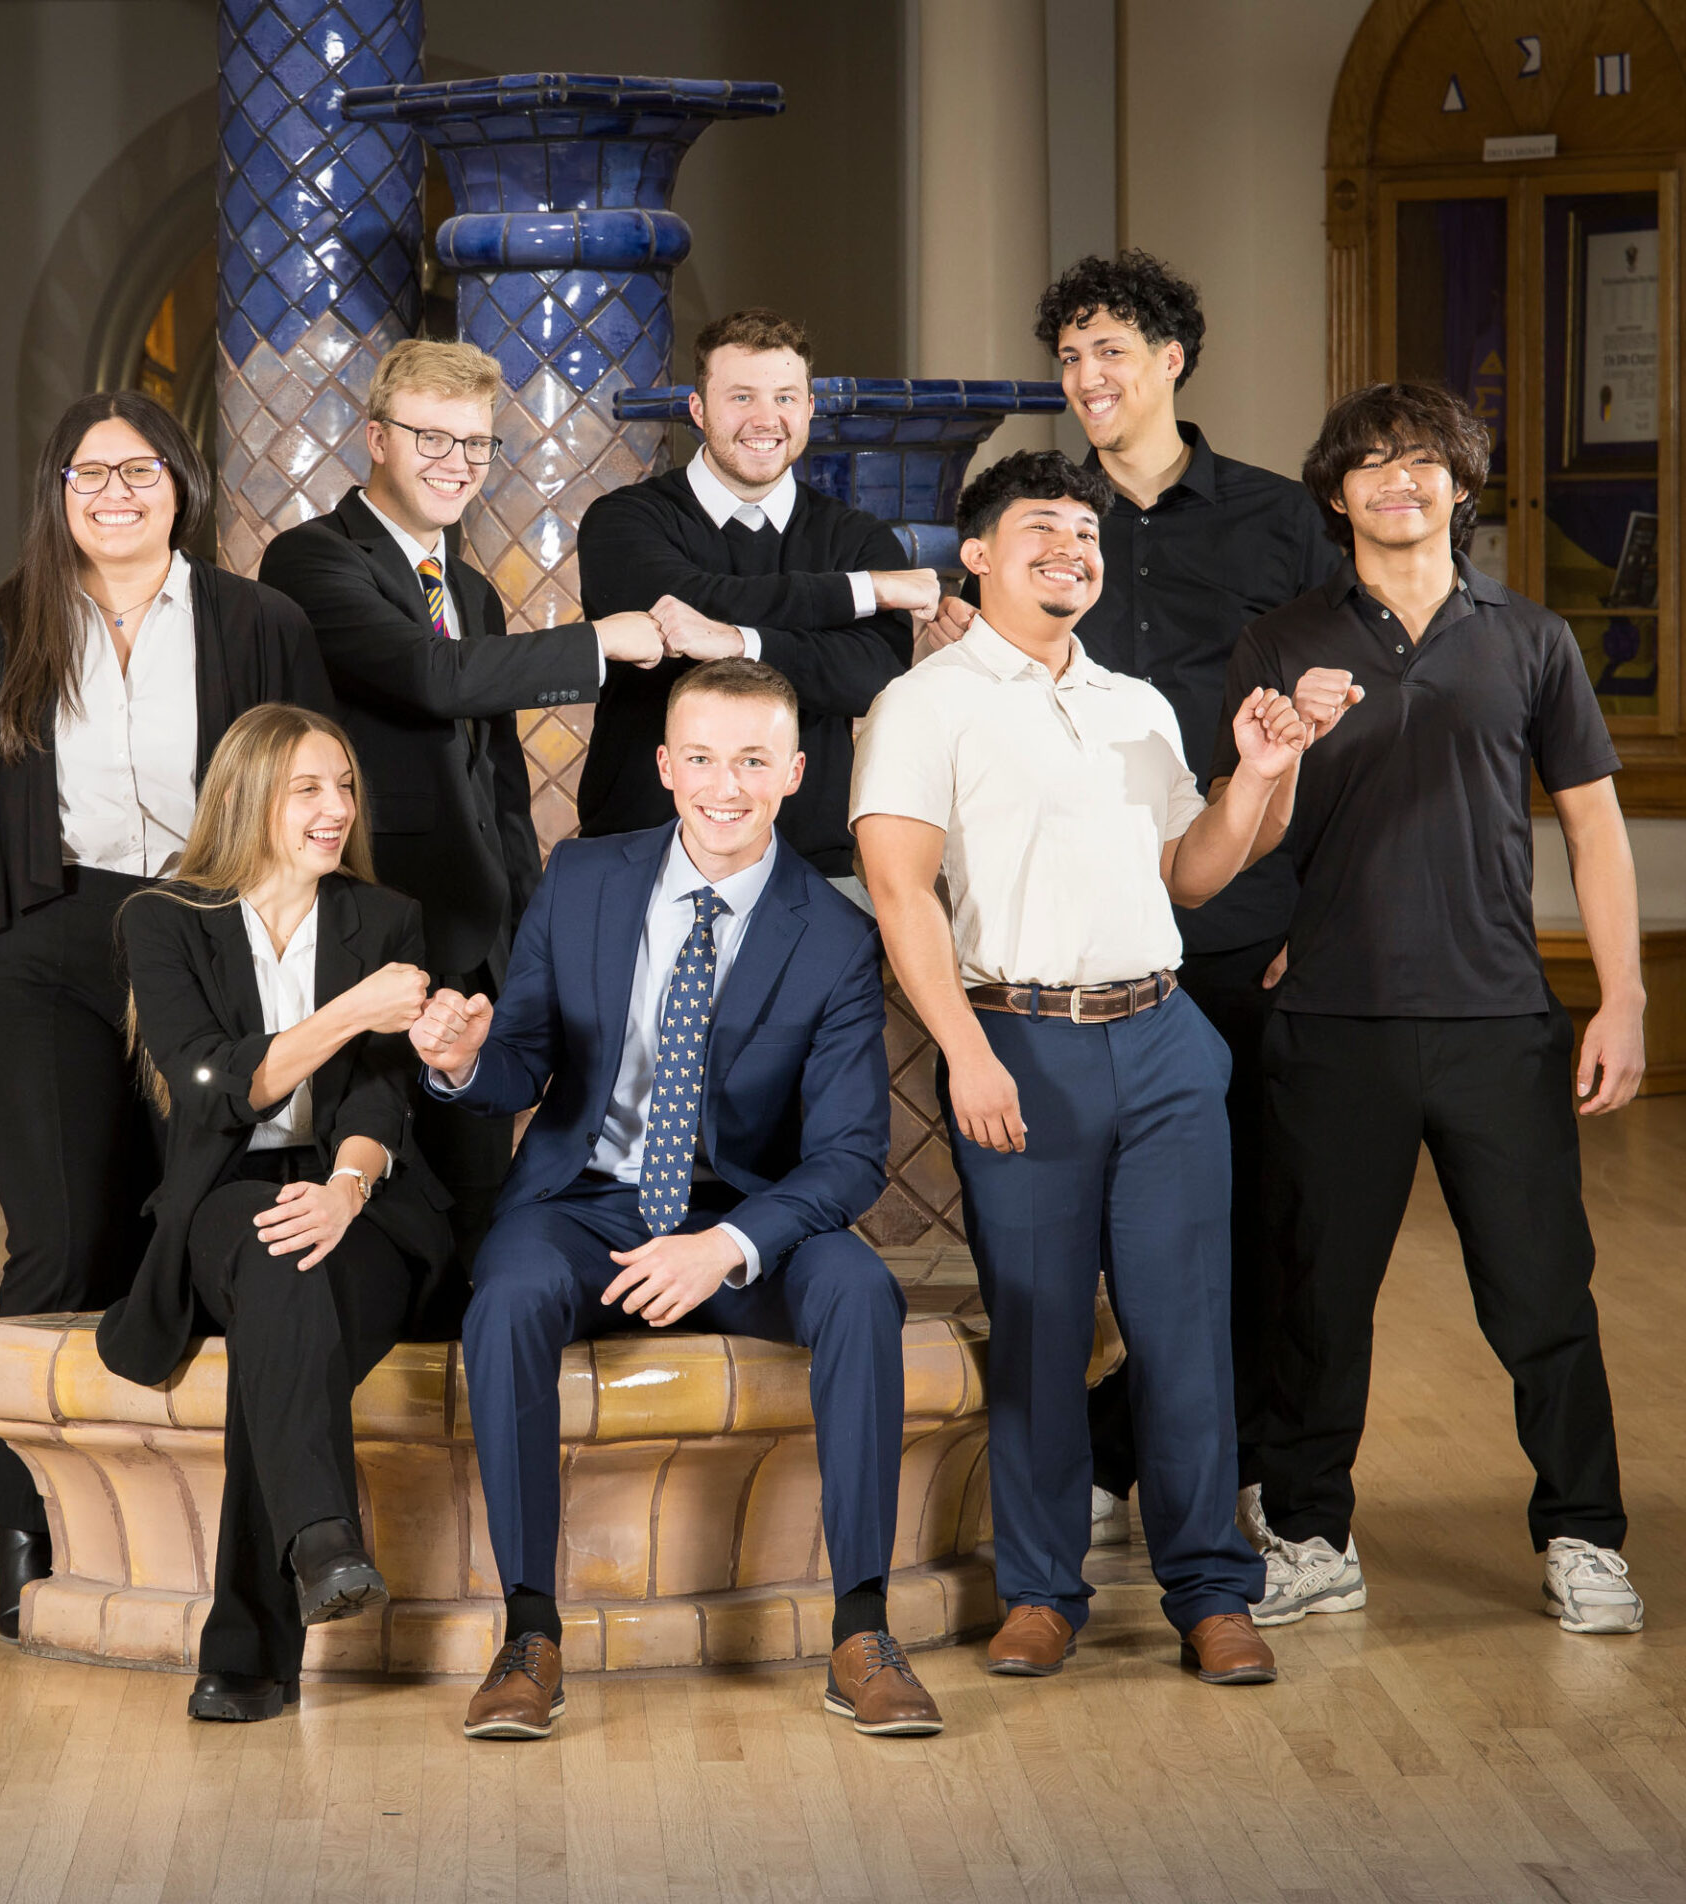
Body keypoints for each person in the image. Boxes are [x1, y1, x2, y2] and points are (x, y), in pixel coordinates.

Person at [0, 392, 330, 1637]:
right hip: (43, 951)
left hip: (209, 944)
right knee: (59, 1241)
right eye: (86, 473)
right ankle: (31, 1533)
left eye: (138, 472)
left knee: (191, 1225)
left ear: (181, 484)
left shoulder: (257, 621)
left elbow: (311, 789)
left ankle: (195, 1537)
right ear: (53, 490)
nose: (112, 494)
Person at [853, 449, 1327, 1688]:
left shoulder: (1136, 703)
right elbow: (902, 896)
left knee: (1185, 1327)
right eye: (1041, 531)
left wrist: (1261, 779)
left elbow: (1195, 872)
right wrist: (965, 1052)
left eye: (1086, 535)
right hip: (1019, 1039)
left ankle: (1209, 1590)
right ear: (976, 553)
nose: (1072, 550)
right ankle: (1041, 1592)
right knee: (1040, 1327)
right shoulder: (929, 702)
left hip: (1166, 1038)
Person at [411, 658, 939, 1741]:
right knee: (503, 1299)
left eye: (752, 760)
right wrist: (465, 1061)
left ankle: (861, 1630)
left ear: (794, 772)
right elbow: (521, 1058)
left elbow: (846, 1159)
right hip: (586, 1206)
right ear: (663, 765)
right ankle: (527, 1634)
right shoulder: (584, 876)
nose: (724, 785)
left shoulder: (837, 936)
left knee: (861, 1293)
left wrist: (727, 1245)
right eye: (699, 757)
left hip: (745, 1216)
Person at [935, 252, 1344, 1553]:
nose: (1086, 378)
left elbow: (1316, 733)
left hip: (1243, 926)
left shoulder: (1280, 521)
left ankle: (1237, 1488)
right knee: (1116, 1252)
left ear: (1174, 357)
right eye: (1068, 358)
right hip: (1091, 939)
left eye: (1109, 350)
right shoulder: (1047, 528)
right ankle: (1130, 1472)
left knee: (1264, 1231)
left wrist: (1310, 926)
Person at [1230, 382, 1646, 1635]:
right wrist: (1282, 759)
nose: (1394, 481)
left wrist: (1618, 996)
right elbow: (1235, 830)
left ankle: (1583, 1537)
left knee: (1541, 1298)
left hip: (1496, 1023)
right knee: (1315, 1298)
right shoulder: (1280, 640)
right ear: (1335, 490)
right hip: (1330, 1021)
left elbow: (1595, 829)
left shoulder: (1529, 640)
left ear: (1462, 486)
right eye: (1367, 463)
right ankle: (1307, 1534)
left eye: (1421, 462)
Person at [258, 339, 664, 1281]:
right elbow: (430, 678)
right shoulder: (312, 558)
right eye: (429, 438)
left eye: (475, 444)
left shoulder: (471, 588)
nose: (455, 463)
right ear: (374, 440)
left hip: (475, 942)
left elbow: (499, 789)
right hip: (367, 928)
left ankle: (470, 1409)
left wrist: (528, 937)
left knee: (475, 1199)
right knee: (373, 1192)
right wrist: (599, 643)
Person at [99, 704, 454, 1722]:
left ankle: (279, 1608)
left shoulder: (381, 920)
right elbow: (209, 1089)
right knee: (273, 1255)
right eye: (309, 788)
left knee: (285, 1302)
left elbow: (382, 1096)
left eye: (343, 785)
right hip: (223, 1189)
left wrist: (346, 1190)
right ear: (248, 796)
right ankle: (319, 1545)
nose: (336, 808)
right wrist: (346, 1012)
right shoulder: (162, 919)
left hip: (362, 1192)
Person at [573, 308, 939, 902]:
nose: (765, 419)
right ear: (698, 410)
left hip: (812, 868)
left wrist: (740, 643)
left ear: (810, 409)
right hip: (636, 852)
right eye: (741, 396)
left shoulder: (856, 538)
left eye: (786, 397)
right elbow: (686, 601)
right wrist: (863, 592)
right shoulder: (624, 520)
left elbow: (868, 677)